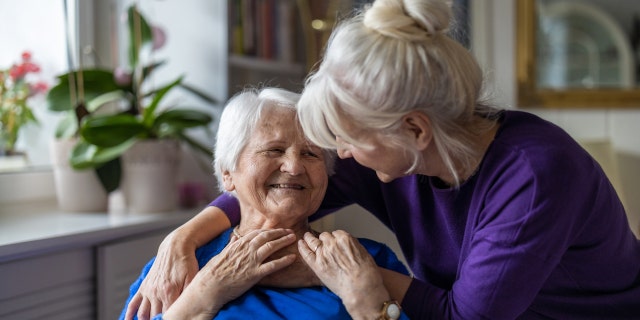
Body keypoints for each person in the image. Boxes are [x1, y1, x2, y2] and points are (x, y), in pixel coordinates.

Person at [129, 0, 640, 319]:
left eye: (342, 140)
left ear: (415, 129)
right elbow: (272, 186)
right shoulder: (392, 155)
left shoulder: (534, 175)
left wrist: (340, 278)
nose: (336, 157)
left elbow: (464, 316)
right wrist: (184, 238)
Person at [121, 87, 409, 320]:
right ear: (227, 173)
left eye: (310, 154)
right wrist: (204, 295)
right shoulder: (178, 267)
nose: (294, 167)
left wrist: (369, 302)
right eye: (274, 150)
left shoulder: (366, 260)